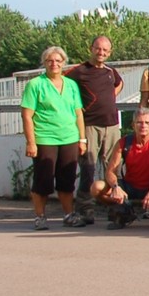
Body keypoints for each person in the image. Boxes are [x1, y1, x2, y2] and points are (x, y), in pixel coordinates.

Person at [22, 46, 87, 230]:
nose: (54, 64)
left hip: (69, 138)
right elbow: (27, 115)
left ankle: (68, 215)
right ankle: (40, 217)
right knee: (43, 180)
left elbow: (78, 114)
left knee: (67, 180)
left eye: (58, 61)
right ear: (44, 63)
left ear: (64, 63)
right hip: (45, 138)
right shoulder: (35, 84)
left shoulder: (71, 85)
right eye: (50, 60)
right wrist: (31, 142)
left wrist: (82, 139)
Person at [66, 35, 124, 225]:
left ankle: (116, 208)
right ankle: (85, 209)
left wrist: (111, 96)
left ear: (110, 52)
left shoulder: (110, 71)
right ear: (91, 48)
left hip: (112, 125)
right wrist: (77, 106)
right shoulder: (79, 71)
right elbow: (61, 86)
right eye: (98, 49)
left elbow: (120, 83)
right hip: (90, 125)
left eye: (105, 50)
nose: (101, 53)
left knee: (113, 168)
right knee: (88, 168)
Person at [90, 108, 149, 230]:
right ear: (133, 125)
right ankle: (123, 210)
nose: (143, 126)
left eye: (147, 123)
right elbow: (110, 171)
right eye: (139, 122)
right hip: (129, 187)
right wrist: (116, 187)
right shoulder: (123, 143)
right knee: (96, 187)